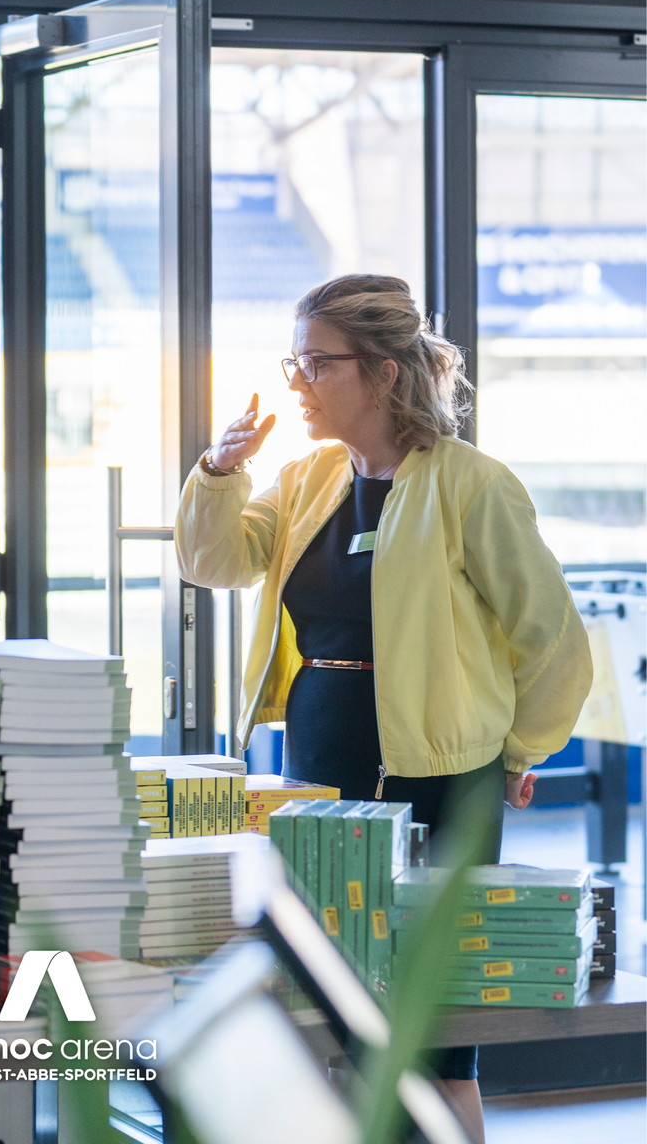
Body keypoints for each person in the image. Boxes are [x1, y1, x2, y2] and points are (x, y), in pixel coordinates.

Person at [174, 274, 592, 1141]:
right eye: (294, 363)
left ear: (383, 373)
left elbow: (551, 636)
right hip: (317, 768)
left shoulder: (471, 484)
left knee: (435, 1039)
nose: (298, 383)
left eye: (317, 364)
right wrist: (219, 470)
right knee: (332, 1012)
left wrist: (519, 751)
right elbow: (213, 563)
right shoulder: (305, 478)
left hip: (443, 775)